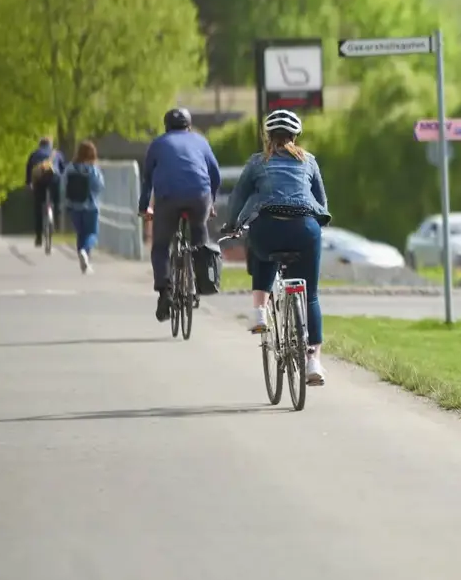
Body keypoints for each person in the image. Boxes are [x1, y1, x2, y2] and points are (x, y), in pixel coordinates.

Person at [224, 109, 331, 386]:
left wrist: (232, 224)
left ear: (267, 136)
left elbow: (239, 196)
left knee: (259, 245)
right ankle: (313, 362)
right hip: (305, 230)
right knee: (311, 295)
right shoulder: (309, 161)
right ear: (296, 136)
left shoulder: (257, 162)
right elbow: (321, 202)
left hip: (268, 229)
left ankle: (259, 311)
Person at [138, 107, 221, 322]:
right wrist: (212, 201)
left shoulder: (158, 144)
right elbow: (215, 174)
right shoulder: (200, 141)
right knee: (199, 237)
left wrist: (143, 207)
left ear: (166, 126)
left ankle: (165, 291)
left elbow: (147, 179)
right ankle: (200, 283)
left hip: (168, 198)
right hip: (199, 196)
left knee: (161, 245)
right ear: (189, 125)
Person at [63, 140, 105, 274]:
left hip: (74, 206)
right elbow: (99, 186)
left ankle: (84, 262)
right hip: (91, 206)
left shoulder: (70, 168)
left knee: (80, 234)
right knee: (92, 233)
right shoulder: (93, 169)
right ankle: (84, 252)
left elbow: (63, 185)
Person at [25, 137, 66, 247]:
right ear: (50, 145)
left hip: (39, 180)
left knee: (38, 205)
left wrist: (29, 183)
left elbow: (29, 170)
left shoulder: (34, 154)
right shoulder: (57, 154)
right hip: (54, 179)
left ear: (40, 145)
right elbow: (63, 170)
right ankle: (57, 216)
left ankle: (38, 236)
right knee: (56, 198)